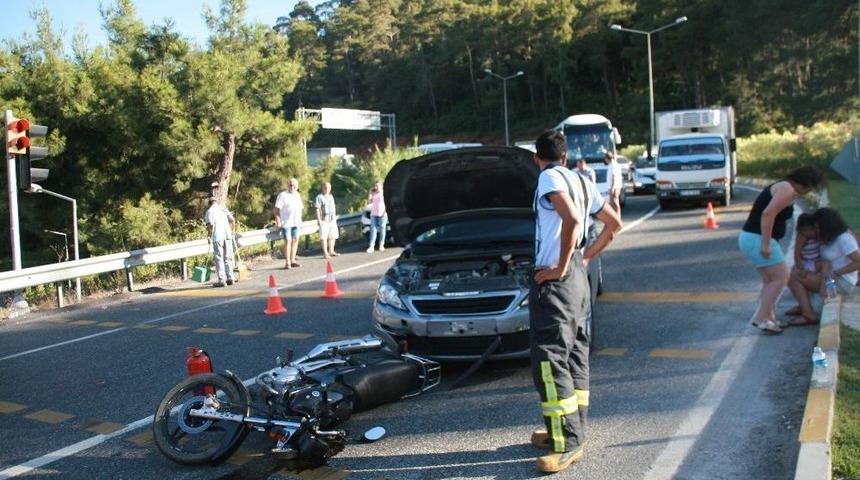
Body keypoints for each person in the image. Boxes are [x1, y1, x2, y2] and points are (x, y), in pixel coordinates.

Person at [528, 130, 622, 473]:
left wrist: (560, 266)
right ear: (565, 156)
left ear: (538, 158)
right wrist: (582, 260)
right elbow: (614, 224)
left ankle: (567, 443)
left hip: (558, 284)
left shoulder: (548, 177)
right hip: (578, 283)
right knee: (575, 354)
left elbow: (569, 218)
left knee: (550, 361)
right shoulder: (581, 179)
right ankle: (570, 429)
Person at [738, 166, 825, 334]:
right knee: (782, 277)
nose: (808, 192)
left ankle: (769, 317)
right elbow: (767, 214)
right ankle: (761, 317)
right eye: (810, 188)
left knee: (770, 280)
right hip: (758, 238)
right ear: (804, 184)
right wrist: (765, 244)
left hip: (752, 237)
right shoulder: (787, 189)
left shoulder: (784, 186)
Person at [787, 207, 860, 324]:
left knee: (792, 277)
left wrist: (837, 273)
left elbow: (858, 262)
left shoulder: (844, 238)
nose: (816, 230)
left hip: (842, 281)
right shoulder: (828, 237)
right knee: (795, 271)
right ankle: (805, 306)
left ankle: (808, 314)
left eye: (817, 227)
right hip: (828, 277)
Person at [205, 197, 236, 287]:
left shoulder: (209, 211)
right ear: (217, 202)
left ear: (209, 203)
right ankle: (230, 277)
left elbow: (210, 225)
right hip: (227, 235)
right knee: (228, 257)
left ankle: (222, 280)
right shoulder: (223, 209)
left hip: (217, 236)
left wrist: (209, 235)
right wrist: (232, 230)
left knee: (219, 258)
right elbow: (232, 219)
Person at [273, 177, 303, 269]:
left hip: (296, 222)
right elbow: (276, 209)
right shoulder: (283, 195)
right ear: (287, 185)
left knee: (295, 240)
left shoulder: (297, 195)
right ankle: (287, 262)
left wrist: (300, 220)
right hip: (286, 222)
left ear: (297, 186)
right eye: (290, 185)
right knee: (288, 241)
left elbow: (300, 209)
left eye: (294, 185)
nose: (292, 187)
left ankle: (293, 260)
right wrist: (278, 219)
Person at [315, 181, 339, 259]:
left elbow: (333, 207)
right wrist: (319, 220)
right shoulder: (319, 197)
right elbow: (317, 209)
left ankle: (331, 251)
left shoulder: (331, 196)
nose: (327, 189)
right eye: (325, 187)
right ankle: (325, 253)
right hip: (324, 219)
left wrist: (334, 218)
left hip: (331, 219)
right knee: (324, 237)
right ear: (322, 188)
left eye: (328, 188)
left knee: (332, 235)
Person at [366, 181, 387, 253]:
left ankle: (381, 244)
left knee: (382, 228)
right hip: (374, 213)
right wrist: (370, 193)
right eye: (375, 186)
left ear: (381, 186)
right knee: (373, 229)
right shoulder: (374, 193)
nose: (376, 187)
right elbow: (369, 202)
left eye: (377, 186)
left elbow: (387, 203)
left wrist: (385, 212)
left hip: (382, 213)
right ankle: (372, 246)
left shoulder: (384, 193)